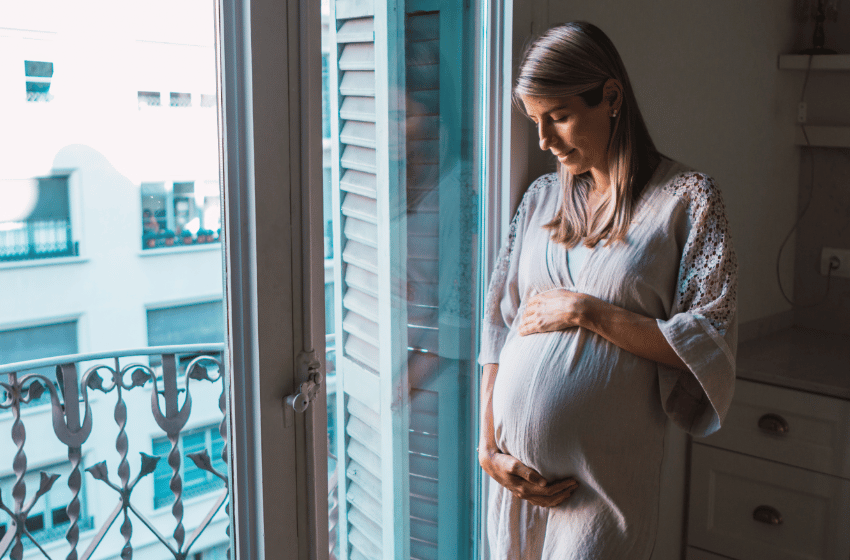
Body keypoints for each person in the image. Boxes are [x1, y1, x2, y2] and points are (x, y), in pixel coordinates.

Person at [477, 21, 737, 559]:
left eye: (560, 116)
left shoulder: (685, 200)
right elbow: (499, 324)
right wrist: (487, 449)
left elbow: (708, 343)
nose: (544, 140)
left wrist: (587, 312)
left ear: (611, 96)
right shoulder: (541, 197)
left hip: (602, 492)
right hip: (514, 484)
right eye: (534, 120)